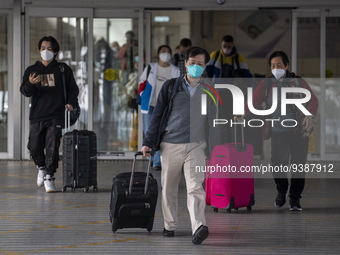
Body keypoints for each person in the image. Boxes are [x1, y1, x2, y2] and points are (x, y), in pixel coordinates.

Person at [141, 47, 215, 245]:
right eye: (192, 63)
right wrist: (149, 142)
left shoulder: (210, 89)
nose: (195, 67)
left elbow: (216, 118)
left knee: (195, 187)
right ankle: (169, 225)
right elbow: (157, 116)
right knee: (169, 188)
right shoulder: (171, 87)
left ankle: (199, 226)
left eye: (200, 64)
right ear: (185, 64)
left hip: (196, 146)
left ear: (205, 66)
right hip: (170, 144)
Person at [245, 51, 318, 211]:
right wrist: (241, 113)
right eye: (272, 66)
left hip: (298, 131)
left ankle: (295, 199)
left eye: (279, 65)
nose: (275, 68)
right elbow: (253, 102)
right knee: (277, 165)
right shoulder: (266, 84)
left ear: (286, 66)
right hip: (277, 131)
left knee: (298, 165)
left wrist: (309, 115)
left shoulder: (297, 82)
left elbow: (312, 100)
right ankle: (281, 190)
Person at [20, 36, 79, 193]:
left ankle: (50, 177)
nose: (46, 51)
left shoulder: (63, 70)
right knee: (34, 146)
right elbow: (24, 91)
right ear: (39, 50)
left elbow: (74, 89)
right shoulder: (32, 70)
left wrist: (71, 103)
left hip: (56, 115)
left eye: (50, 49)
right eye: (43, 48)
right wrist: (30, 84)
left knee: (52, 147)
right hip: (37, 115)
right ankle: (41, 167)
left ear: (56, 51)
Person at [138, 45, 180, 170]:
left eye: (167, 52)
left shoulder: (175, 70)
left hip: (167, 107)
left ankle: (157, 162)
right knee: (149, 132)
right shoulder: (151, 67)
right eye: (163, 51)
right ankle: (153, 157)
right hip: (151, 106)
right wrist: (143, 95)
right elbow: (141, 83)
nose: (165, 53)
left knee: (163, 133)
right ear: (158, 53)